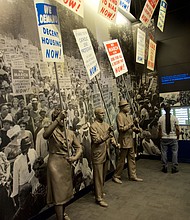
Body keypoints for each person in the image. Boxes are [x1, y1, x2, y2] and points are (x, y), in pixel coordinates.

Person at [43, 108, 82, 220]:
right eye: (58, 117)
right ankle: (60, 218)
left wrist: (75, 157)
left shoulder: (70, 133)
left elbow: (79, 147)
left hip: (66, 164)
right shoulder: (52, 132)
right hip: (55, 165)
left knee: (65, 193)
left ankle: (62, 213)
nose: (61, 120)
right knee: (58, 195)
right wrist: (58, 118)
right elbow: (45, 135)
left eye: (62, 118)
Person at [90, 107, 116, 208]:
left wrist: (114, 143)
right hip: (98, 154)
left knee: (103, 175)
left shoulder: (106, 125)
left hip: (106, 152)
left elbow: (111, 136)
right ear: (96, 115)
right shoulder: (93, 126)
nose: (103, 115)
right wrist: (107, 132)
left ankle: (98, 190)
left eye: (104, 113)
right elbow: (97, 140)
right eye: (101, 113)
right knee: (98, 176)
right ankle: (99, 198)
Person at [112, 100, 143, 184]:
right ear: (122, 107)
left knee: (132, 159)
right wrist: (132, 123)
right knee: (121, 160)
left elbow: (131, 128)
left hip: (130, 141)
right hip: (124, 141)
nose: (129, 108)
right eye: (127, 106)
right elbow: (121, 129)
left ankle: (133, 175)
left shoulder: (129, 116)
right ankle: (116, 176)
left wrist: (137, 130)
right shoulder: (119, 116)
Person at [158, 103, 180, 173]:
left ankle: (164, 167)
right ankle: (174, 167)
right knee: (174, 152)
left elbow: (160, 130)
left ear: (164, 110)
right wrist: (177, 137)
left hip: (164, 138)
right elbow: (177, 129)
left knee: (164, 152)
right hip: (173, 137)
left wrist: (160, 137)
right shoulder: (174, 118)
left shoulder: (161, 118)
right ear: (170, 109)